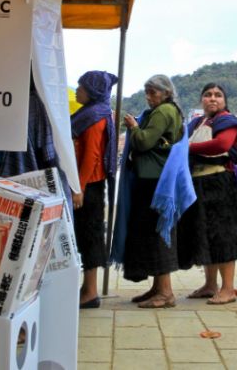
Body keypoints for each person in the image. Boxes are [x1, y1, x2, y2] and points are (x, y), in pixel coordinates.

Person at [116, 75, 191, 308]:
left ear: (166, 93)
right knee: (155, 233)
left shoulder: (163, 112)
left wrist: (134, 128)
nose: (149, 97)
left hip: (154, 181)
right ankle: (158, 287)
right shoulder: (171, 110)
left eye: (153, 93)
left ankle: (166, 292)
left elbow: (144, 142)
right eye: (147, 92)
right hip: (158, 179)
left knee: (158, 233)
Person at [178, 83, 237, 305]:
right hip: (198, 183)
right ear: (201, 100)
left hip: (220, 183)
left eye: (218, 95)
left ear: (224, 101)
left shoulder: (227, 121)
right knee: (206, 234)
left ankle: (227, 288)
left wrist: (186, 148)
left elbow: (221, 144)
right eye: (207, 94)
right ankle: (210, 285)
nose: (213, 98)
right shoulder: (197, 123)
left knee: (224, 235)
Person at [70, 70, 118, 309]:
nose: (78, 90)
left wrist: (79, 188)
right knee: (85, 234)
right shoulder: (89, 113)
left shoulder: (95, 117)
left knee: (89, 236)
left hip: (88, 184)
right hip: (87, 183)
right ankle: (86, 289)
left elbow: (92, 156)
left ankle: (90, 292)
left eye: (82, 86)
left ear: (94, 90)